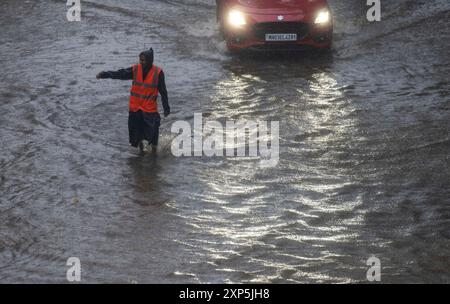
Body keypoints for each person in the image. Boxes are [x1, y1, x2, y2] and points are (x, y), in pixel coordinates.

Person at [96, 48, 170, 154]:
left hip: (149, 110)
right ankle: (142, 151)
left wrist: (166, 107)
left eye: (143, 60)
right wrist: (105, 74)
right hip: (135, 108)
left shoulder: (158, 73)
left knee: (152, 132)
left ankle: (154, 152)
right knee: (136, 134)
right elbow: (120, 74)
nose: (141, 62)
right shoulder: (135, 69)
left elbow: (163, 92)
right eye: (140, 60)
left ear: (149, 61)